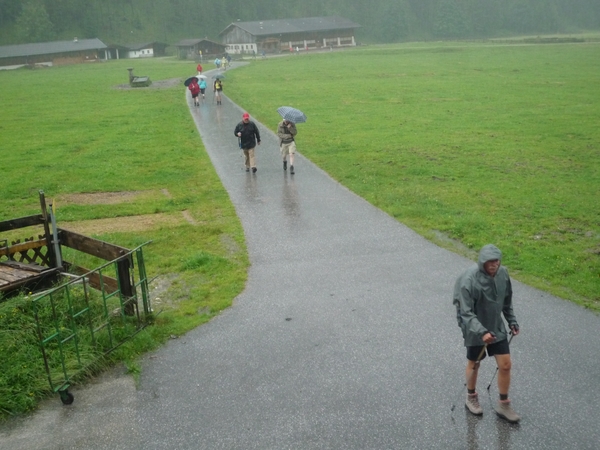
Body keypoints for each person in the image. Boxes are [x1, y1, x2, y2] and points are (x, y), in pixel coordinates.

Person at [453, 244, 521, 423]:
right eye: (490, 262)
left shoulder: (503, 274)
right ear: (482, 261)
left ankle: (504, 404)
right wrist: (481, 331)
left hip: (496, 326)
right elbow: (465, 312)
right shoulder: (469, 279)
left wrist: (511, 320)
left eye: (497, 261)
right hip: (475, 327)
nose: (494, 265)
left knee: (505, 365)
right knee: (474, 363)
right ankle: (471, 396)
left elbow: (506, 301)